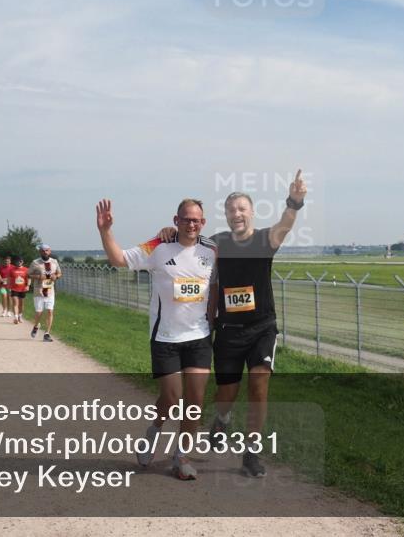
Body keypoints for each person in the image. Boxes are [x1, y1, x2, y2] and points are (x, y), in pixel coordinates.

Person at [157, 170, 307, 477]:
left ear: (251, 212)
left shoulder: (266, 239)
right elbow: (187, 239)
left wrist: (294, 202)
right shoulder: (216, 244)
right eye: (230, 210)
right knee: (226, 394)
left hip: (262, 327)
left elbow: (286, 224)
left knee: (259, 384)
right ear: (225, 216)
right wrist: (169, 233)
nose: (236, 214)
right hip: (227, 330)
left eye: (241, 209)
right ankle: (222, 419)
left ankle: (252, 452)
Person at [98, 198, 216, 481]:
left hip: (199, 336)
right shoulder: (158, 246)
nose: (191, 224)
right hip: (165, 337)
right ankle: (153, 430)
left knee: (196, 400)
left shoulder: (213, 250)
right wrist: (106, 231)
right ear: (176, 220)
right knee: (172, 397)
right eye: (186, 219)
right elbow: (119, 260)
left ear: (203, 223)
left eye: (197, 220)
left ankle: (181, 457)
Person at [28, 244, 60, 342]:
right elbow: (28, 274)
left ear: (49, 251)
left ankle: (47, 333)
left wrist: (56, 276)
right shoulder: (35, 263)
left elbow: (59, 273)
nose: (45, 252)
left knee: (50, 311)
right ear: (40, 252)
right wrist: (38, 277)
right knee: (39, 312)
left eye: (46, 250)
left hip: (50, 291)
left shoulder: (54, 262)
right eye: (43, 251)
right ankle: (36, 326)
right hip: (39, 291)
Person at [8, 255, 29, 324]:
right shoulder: (12, 270)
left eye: (21, 261)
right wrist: (9, 287)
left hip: (22, 289)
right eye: (18, 261)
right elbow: (9, 279)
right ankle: (16, 318)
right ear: (15, 262)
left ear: (22, 262)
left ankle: (20, 316)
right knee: (15, 303)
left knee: (21, 304)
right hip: (14, 289)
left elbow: (28, 278)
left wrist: (28, 285)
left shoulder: (26, 269)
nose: (19, 262)